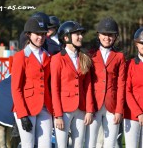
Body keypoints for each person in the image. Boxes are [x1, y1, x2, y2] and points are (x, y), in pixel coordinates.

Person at [50, 20, 94, 148]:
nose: (81, 36)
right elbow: (54, 88)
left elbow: (88, 86)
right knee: (61, 145)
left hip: (81, 108)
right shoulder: (57, 59)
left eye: (81, 34)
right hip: (63, 110)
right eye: (77, 34)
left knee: (79, 145)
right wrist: (57, 115)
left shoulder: (84, 58)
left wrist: (89, 110)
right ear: (66, 37)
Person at [11, 16, 53, 148]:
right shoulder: (20, 57)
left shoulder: (48, 56)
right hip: (26, 108)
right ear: (28, 34)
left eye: (43, 34)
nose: (40, 37)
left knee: (46, 145)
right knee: (27, 145)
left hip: (45, 107)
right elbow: (16, 88)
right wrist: (22, 115)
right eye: (37, 34)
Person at [85, 17, 126, 148]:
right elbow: (88, 84)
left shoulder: (119, 56)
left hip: (112, 106)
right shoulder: (91, 55)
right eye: (104, 34)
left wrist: (119, 110)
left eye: (111, 35)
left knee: (111, 143)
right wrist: (89, 108)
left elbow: (121, 84)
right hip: (94, 106)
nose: (107, 38)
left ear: (115, 37)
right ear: (98, 35)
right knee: (91, 143)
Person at [123, 27, 143, 148]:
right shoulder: (129, 64)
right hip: (132, 115)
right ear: (136, 44)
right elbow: (127, 91)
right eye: (141, 43)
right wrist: (139, 113)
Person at [0, 75, 20, 148]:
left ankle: (2, 146)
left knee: (1, 129)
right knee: (16, 133)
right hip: (9, 110)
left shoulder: (2, 82)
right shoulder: (19, 81)